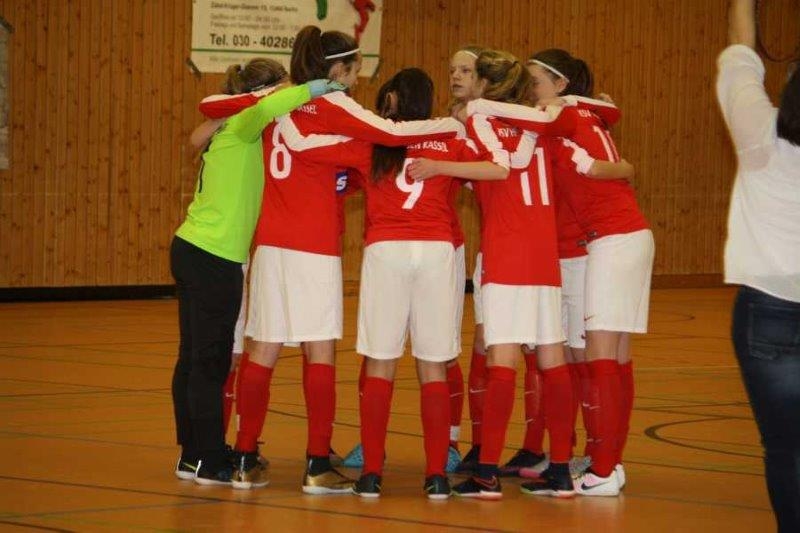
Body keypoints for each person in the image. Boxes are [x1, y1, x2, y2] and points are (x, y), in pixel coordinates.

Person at [198, 26, 465, 494]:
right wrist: (449, 125)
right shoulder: (332, 103)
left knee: (263, 349)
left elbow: (215, 108)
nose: (356, 80)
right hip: (314, 243)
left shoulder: (278, 102)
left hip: (270, 241)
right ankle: (317, 463)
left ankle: (243, 457)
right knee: (319, 352)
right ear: (339, 69)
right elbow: (386, 134)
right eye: (355, 70)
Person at [426, 49, 633, 500]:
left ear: (486, 84)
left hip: (508, 249)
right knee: (552, 359)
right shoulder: (539, 124)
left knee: (502, 360)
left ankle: (485, 473)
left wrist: (440, 161)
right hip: (544, 254)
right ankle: (559, 470)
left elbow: (500, 169)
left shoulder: (485, 120)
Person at [170, 58, 343, 486]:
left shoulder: (227, 126)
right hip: (214, 256)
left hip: (192, 248)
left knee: (193, 358)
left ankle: (192, 454)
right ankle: (209, 460)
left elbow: (201, 132)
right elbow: (266, 107)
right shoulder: (245, 123)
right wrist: (314, 88)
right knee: (209, 361)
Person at [718, 1, 800, 530]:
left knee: (787, 448)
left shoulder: (759, 136)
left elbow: (741, 52)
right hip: (770, 311)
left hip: (769, 311)